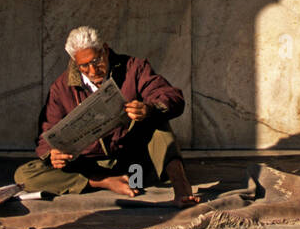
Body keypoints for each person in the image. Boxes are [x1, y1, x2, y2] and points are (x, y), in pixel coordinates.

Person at [13, 26, 201, 206]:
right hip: (89, 168)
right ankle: (104, 182)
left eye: (96, 61)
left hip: (134, 164)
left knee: (158, 121)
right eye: (84, 66)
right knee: (24, 175)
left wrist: (149, 108)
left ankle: (181, 187)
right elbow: (45, 135)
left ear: (105, 49)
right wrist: (52, 154)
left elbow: (173, 97)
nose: (93, 71)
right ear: (74, 62)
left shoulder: (134, 68)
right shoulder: (61, 88)